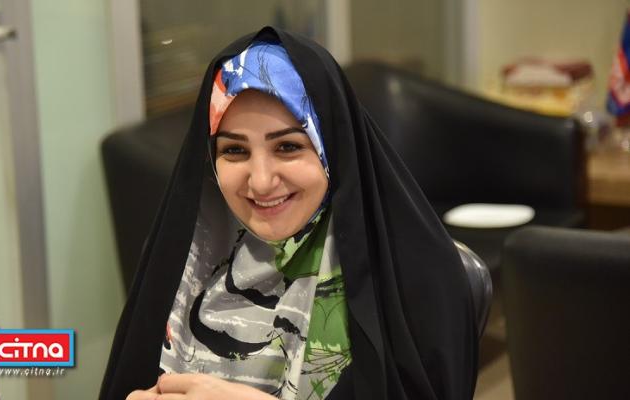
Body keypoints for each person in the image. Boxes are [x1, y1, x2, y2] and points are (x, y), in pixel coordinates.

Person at [100, 27, 478, 400]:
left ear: (332, 147)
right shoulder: (184, 262)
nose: (261, 182)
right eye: (234, 150)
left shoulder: (414, 277)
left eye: (287, 147)